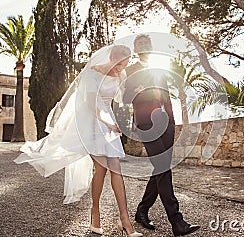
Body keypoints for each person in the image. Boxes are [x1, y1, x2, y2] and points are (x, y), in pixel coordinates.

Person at [14, 45, 142, 237]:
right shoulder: (92, 74)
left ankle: (125, 220)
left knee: (115, 167)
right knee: (101, 168)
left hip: (108, 121)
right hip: (91, 122)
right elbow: (92, 106)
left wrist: (135, 93)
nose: (120, 68)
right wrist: (107, 123)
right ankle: (95, 212)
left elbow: (119, 98)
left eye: (124, 65)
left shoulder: (120, 75)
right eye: (118, 63)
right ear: (110, 56)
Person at [123, 34, 200, 236]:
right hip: (146, 123)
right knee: (163, 168)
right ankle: (177, 221)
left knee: (161, 169)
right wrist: (140, 91)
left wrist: (172, 121)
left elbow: (165, 96)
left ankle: (142, 210)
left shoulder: (159, 69)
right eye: (140, 44)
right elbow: (125, 96)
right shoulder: (130, 70)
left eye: (147, 43)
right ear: (135, 49)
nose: (144, 46)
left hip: (166, 123)